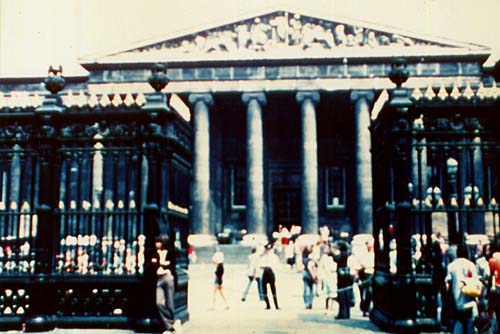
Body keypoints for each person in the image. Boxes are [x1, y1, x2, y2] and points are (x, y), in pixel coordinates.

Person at [446, 244, 479, 334]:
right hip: (469, 302)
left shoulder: (451, 266)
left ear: (457, 253)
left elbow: (447, 284)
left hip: (457, 303)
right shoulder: (471, 265)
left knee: (458, 324)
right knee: (469, 326)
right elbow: (476, 283)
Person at [152, 235, 181, 333]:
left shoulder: (170, 252)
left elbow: (172, 264)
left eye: (159, 242)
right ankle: (171, 323)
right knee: (159, 302)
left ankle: (168, 327)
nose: (157, 244)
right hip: (158, 278)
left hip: (167, 277)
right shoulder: (153, 253)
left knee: (170, 302)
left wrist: (162, 264)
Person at [333, 241, 354, 319]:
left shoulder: (342, 255)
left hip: (342, 278)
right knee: (347, 296)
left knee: (342, 296)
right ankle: (347, 313)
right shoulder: (349, 254)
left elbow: (336, 258)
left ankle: (342, 313)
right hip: (349, 277)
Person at [357, 240, 375, 317]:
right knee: (363, 292)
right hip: (365, 273)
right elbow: (360, 264)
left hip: (372, 273)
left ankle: (367, 308)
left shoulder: (374, 254)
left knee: (369, 292)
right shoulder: (363, 255)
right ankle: (364, 307)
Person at [260, 243, 280, 310]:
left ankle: (276, 305)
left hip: (271, 272)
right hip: (265, 272)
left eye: (268, 249)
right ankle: (268, 305)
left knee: (273, 289)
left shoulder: (274, 256)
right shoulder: (263, 256)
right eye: (266, 249)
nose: (267, 250)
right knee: (264, 290)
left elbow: (277, 265)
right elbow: (260, 265)